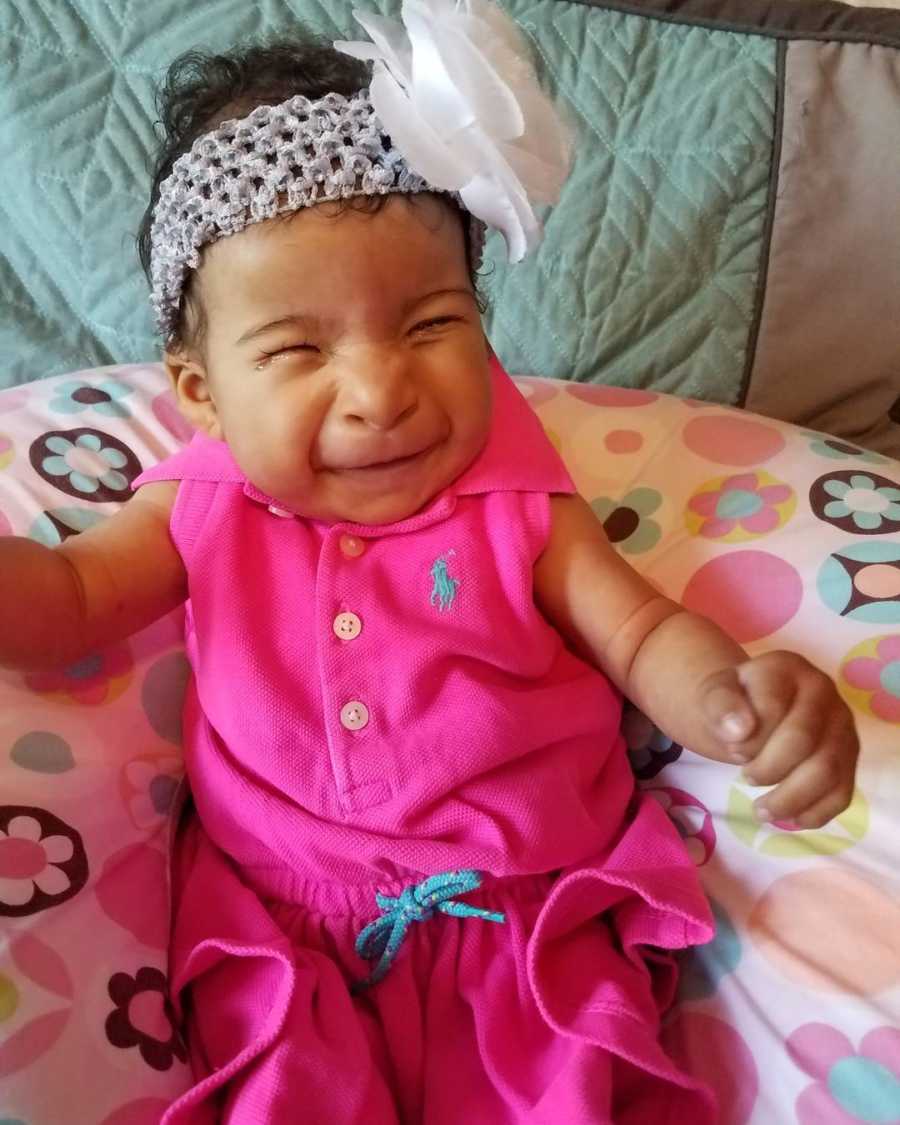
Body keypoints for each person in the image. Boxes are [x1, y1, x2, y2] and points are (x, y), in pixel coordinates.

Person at [0, 4, 859, 1121]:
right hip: (281, 936)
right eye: (299, 349)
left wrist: (736, 698)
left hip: (531, 916)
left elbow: (640, 633)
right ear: (203, 394)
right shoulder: (200, 504)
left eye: (430, 325)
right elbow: (68, 599)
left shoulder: (512, 494)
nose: (380, 389)